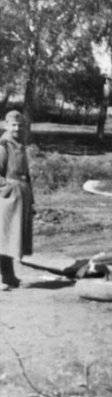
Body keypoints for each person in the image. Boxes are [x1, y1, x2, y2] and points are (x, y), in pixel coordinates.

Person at [0, 111, 34, 290]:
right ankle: (1, 278)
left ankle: (9, 276)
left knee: (12, 239)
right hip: (7, 198)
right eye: (13, 125)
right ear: (6, 125)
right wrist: (8, 189)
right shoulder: (3, 146)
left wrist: (31, 199)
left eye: (20, 125)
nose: (17, 128)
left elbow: (26, 175)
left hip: (21, 196)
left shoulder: (20, 145)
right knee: (3, 238)